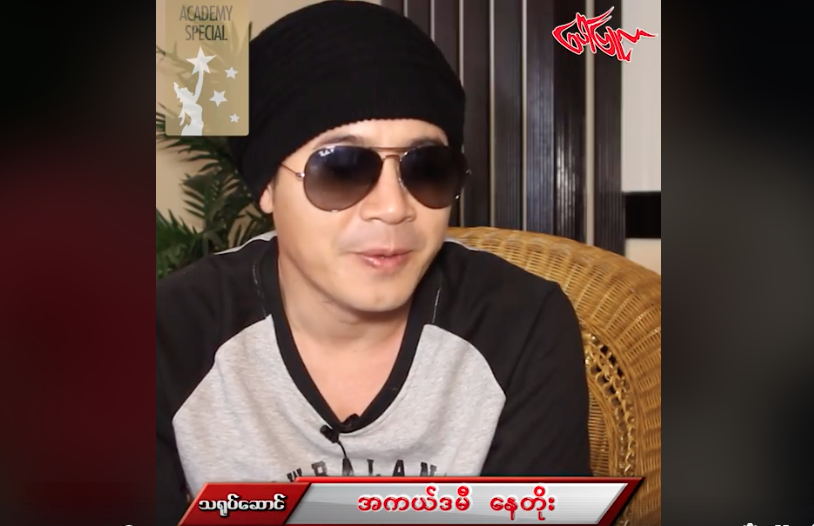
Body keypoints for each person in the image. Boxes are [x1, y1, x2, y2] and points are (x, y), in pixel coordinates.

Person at [156, 1, 591, 523]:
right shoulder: (169, 332)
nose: (392, 208)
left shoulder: (521, 323)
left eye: (426, 167)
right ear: (266, 186)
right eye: (341, 167)